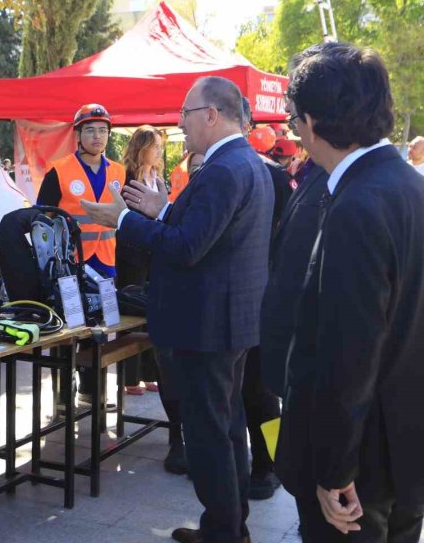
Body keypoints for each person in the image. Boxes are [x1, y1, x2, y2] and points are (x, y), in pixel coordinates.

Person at [82, 76, 273, 543]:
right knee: (227, 427)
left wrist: (123, 219)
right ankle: (229, 527)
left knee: (210, 435)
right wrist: (162, 210)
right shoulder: (243, 162)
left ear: (211, 115)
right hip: (227, 321)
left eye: (185, 114)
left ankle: (223, 531)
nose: (180, 124)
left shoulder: (224, 169)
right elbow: (210, 233)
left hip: (207, 326)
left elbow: (188, 247)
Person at [276, 41, 424, 542]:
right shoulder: (410, 187)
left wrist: (334, 471)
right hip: (403, 452)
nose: (295, 132)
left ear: (312, 123)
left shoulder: (358, 205)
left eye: (294, 120)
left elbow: (349, 355)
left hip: (362, 469)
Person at [36, 103, 126, 408]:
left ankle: (92, 393)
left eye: (103, 130)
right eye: (90, 130)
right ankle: (63, 398)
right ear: (78, 135)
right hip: (70, 264)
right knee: (67, 329)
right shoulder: (59, 171)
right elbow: (42, 219)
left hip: (106, 263)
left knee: (99, 329)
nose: (97, 136)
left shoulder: (119, 172)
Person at [241, 102, 293, 500]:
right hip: (240, 300)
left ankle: (269, 463)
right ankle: (253, 463)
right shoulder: (212, 170)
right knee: (247, 392)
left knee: (261, 393)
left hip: (263, 298)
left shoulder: (273, 177)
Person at [117, 125, 164, 396]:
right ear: (142, 147)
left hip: (153, 254)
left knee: (151, 313)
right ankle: (129, 378)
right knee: (131, 313)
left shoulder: (157, 177)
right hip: (131, 255)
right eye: (154, 146)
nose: (159, 151)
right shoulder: (127, 177)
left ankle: (149, 372)